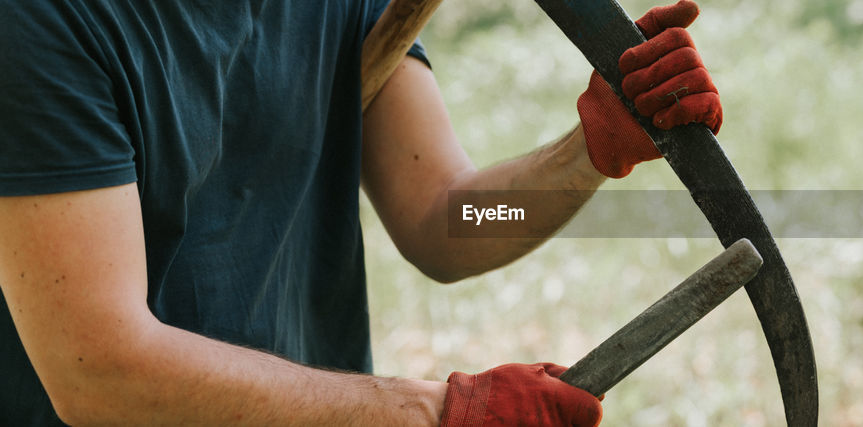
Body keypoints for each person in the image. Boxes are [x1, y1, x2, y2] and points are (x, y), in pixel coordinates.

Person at [0, 0, 722, 425]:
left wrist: (588, 153)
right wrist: (435, 411)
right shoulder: (42, 23)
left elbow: (443, 223)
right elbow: (98, 371)